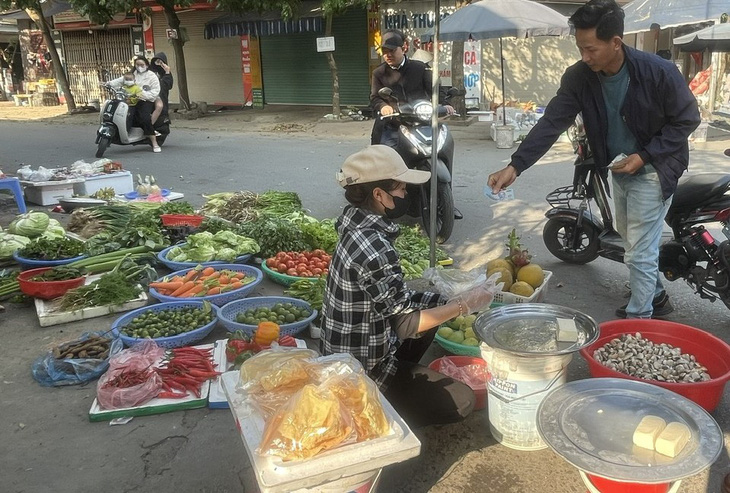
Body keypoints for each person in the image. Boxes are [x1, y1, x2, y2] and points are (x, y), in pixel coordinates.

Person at [487, 0, 700, 319]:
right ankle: (655, 296)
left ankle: (638, 322)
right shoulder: (580, 76)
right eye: (580, 48)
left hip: (656, 169)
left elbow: (687, 119)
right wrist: (516, 164)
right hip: (619, 169)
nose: (584, 57)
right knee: (632, 245)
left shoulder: (658, 72)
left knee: (639, 253)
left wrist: (643, 157)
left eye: (591, 49)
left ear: (616, 42)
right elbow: (553, 121)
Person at [322, 145, 499, 428]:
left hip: (359, 344)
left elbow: (393, 300)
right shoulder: (373, 248)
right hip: (360, 371)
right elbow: (405, 323)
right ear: (379, 195)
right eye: (402, 189)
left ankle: (401, 380)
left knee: (434, 304)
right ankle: (378, 410)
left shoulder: (354, 222)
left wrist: (446, 298)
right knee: (462, 400)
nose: (406, 195)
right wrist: (463, 305)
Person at [370, 29, 461, 218]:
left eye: (391, 51)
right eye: (384, 51)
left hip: (423, 122)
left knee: (444, 149)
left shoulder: (419, 68)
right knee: (387, 160)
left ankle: (447, 199)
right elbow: (374, 98)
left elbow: (436, 91)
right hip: (394, 124)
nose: (387, 55)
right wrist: (383, 107)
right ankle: (388, 204)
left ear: (403, 48)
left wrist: (445, 104)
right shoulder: (379, 73)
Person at [105, 56, 162, 152]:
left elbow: (155, 91)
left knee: (145, 118)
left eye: (142, 65)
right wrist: (108, 84)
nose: (139, 67)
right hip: (129, 100)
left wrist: (142, 95)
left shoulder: (152, 76)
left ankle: (154, 142)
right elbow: (120, 80)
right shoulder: (132, 74)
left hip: (145, 100)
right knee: (122, 114)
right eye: (137, 65)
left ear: (147, 65)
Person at [149, 52, 173, 127]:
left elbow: (168, 85)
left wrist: (167, 72)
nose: (159, 64)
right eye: (157, 61)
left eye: (161, 62)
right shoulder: (150, 72)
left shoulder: (166, 73)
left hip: (162, 98)